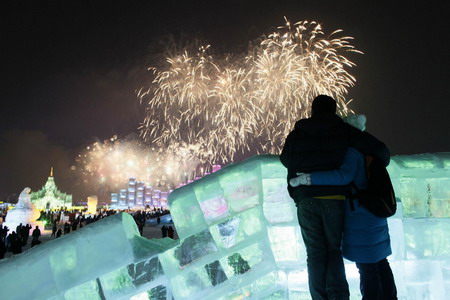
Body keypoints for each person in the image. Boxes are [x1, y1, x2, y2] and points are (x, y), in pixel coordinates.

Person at [280, 95, 389, 299]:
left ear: (313, 110)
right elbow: (379, 149)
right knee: (333, 249)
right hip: (333, 198)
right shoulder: (343, 130)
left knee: (314, 253)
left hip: (305, 200)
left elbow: (286, 160)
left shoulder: (297, 133)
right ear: (334, 110)